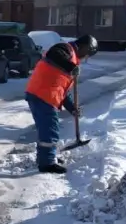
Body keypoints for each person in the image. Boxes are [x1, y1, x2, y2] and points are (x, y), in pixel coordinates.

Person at [25, 34, 98, 174]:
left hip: (44, 94)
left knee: (46, 129)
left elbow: (62, 90)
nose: (86, 57)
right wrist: (70, 67)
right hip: (42, 94)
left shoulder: (72, 58)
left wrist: (72, 108)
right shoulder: (65, 49)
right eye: (88, 54)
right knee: (50, 130)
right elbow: (54, 54)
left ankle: (45, 158)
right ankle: (47, 164)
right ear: (84, 47)